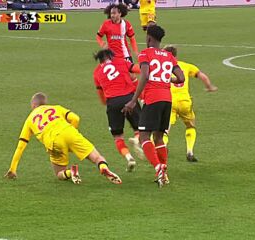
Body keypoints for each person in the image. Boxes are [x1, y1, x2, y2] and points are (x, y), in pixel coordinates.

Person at [4, 92, 122, 185]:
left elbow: (21, 145)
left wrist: (13, 168)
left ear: (33, 105)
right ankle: (103, 167)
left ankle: (71, 172)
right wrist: (73, 132)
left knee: (59, 173)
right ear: (45, 103)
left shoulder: (30, 119)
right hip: (69, 131)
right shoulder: (56, 108)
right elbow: (75, 118)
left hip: (54, 141)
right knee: (97, 157)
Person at [123, 25, 185, 188]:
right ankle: (164, 174)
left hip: (153, 98)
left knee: (144, 137)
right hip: (167, 99)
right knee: (158, 137)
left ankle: (158, 168)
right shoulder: (169, 56)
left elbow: (144, 74)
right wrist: (165, 80)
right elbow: (181, 77)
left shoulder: (145, 54)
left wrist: (133, 100)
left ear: (149, 38)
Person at [162, 45, 218, 162]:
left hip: (169, 102)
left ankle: (163, 147)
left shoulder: (163, 68)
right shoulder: (186, 66)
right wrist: (209, 87)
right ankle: (190, 151)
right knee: (190, 126)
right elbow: (202, 76)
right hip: (185, 102)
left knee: (164, 130)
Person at [93, 49, 143, 171]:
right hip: (129, 98)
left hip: (113, 102)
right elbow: (138, 69)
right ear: (111, 56)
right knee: (140, 128)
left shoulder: (97, 72)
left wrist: (106, 103)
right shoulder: (121, 62)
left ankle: (129, 158)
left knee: (118, 137)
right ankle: (137, 139)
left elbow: (100, 93)